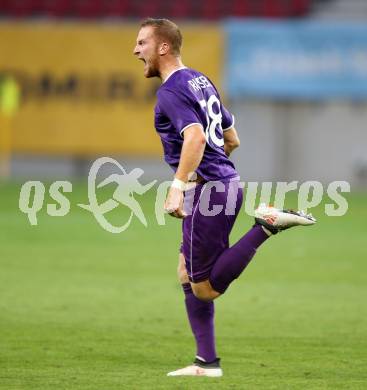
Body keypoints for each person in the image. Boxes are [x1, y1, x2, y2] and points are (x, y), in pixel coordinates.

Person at [133, 18, 316, 377]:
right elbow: (232, 138)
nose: (135, 50)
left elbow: (197, 138)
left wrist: (179, 185)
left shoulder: (170, 91)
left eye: (142, 43)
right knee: (186, 270)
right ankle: (207, 362)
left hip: (210, 192)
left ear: (163, 47)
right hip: (222, 185)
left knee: (205, 289)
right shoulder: (200, 80)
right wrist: (214, 174)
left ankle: (266, 227)